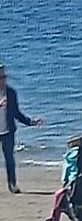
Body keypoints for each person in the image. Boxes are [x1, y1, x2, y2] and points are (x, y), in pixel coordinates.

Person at [1, 66, 44, 194]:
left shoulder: (11, 93)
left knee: (9, 158)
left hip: (8, 131)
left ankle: (12, 184)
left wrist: (30, 122)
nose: (2, 80)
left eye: (4, 77)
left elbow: (16, 113)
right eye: (0, 77)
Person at [47, 133, 82, 221]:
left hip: (74, 185)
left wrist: (64, 183)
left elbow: (65, 176)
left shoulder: (69, 156)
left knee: (59, 196)